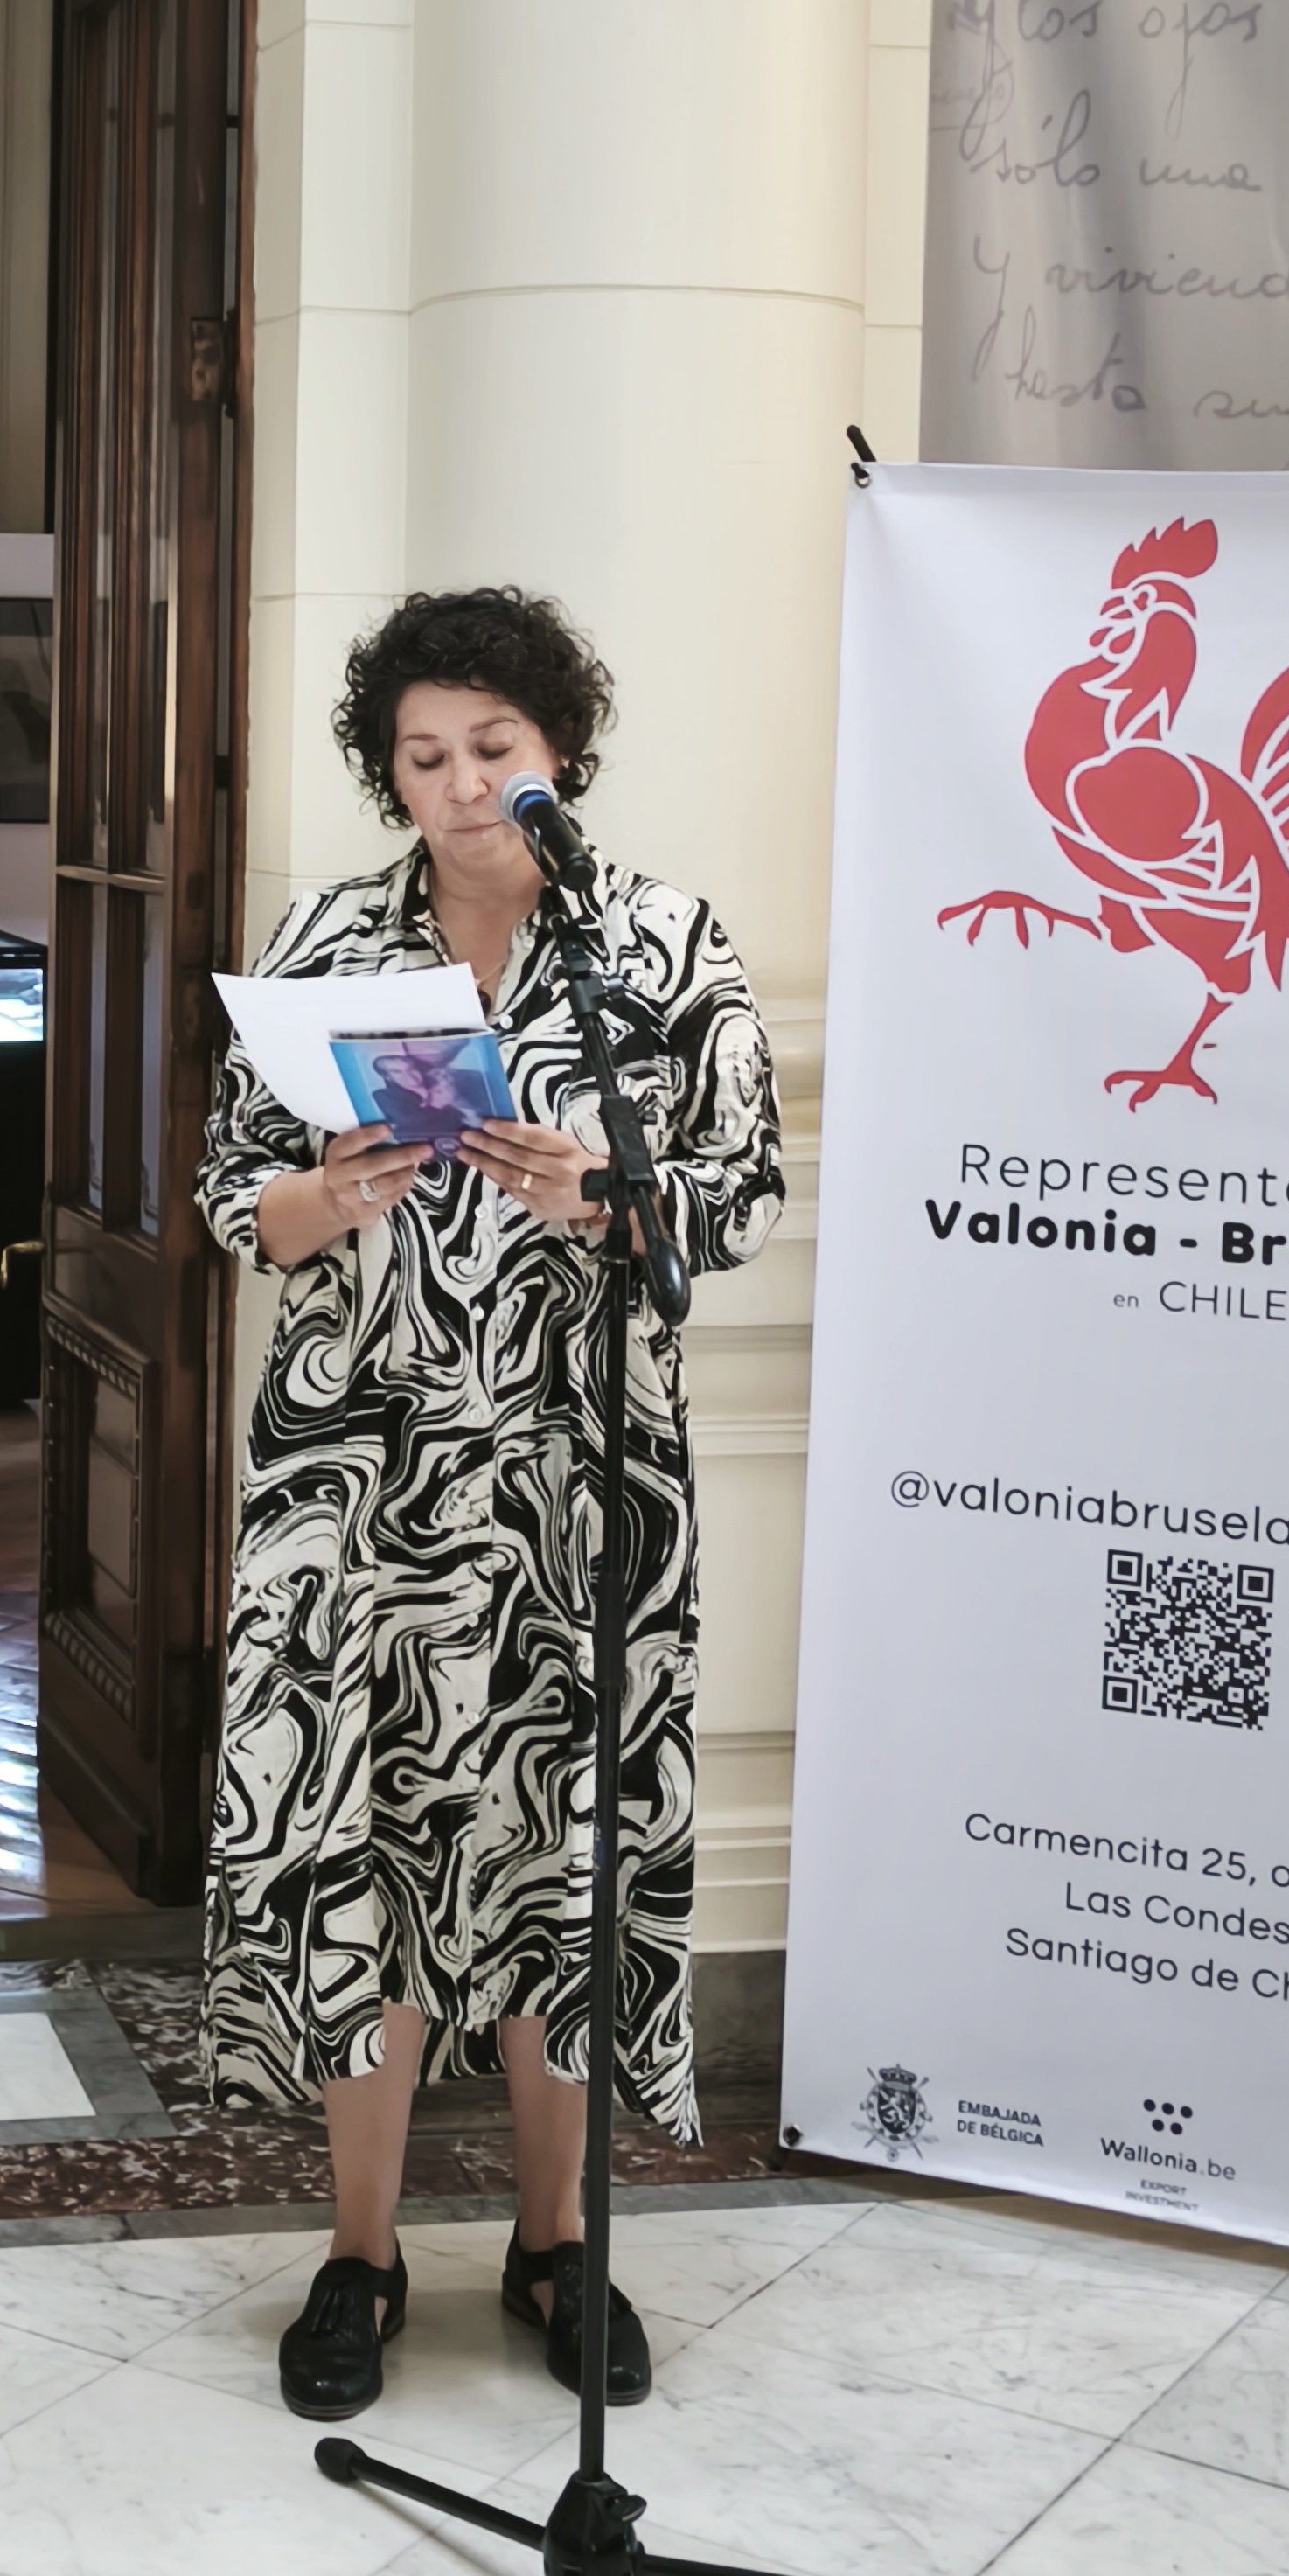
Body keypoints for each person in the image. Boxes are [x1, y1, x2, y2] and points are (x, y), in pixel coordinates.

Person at [196, 586, 782, 2421]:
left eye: (492, 749)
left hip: (578, 1476)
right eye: (424, 754)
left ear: (559, 756)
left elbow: (740, 1194)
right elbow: (232, 1195)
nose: (458, 783)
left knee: (560, 1849)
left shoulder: (659, 945)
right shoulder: (325, 943)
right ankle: (361, 2253)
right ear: (389, 771)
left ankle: (552, 2243)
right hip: (358, 1470)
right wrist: (333, 1189)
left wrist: (603, 1189)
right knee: (354, 1848)